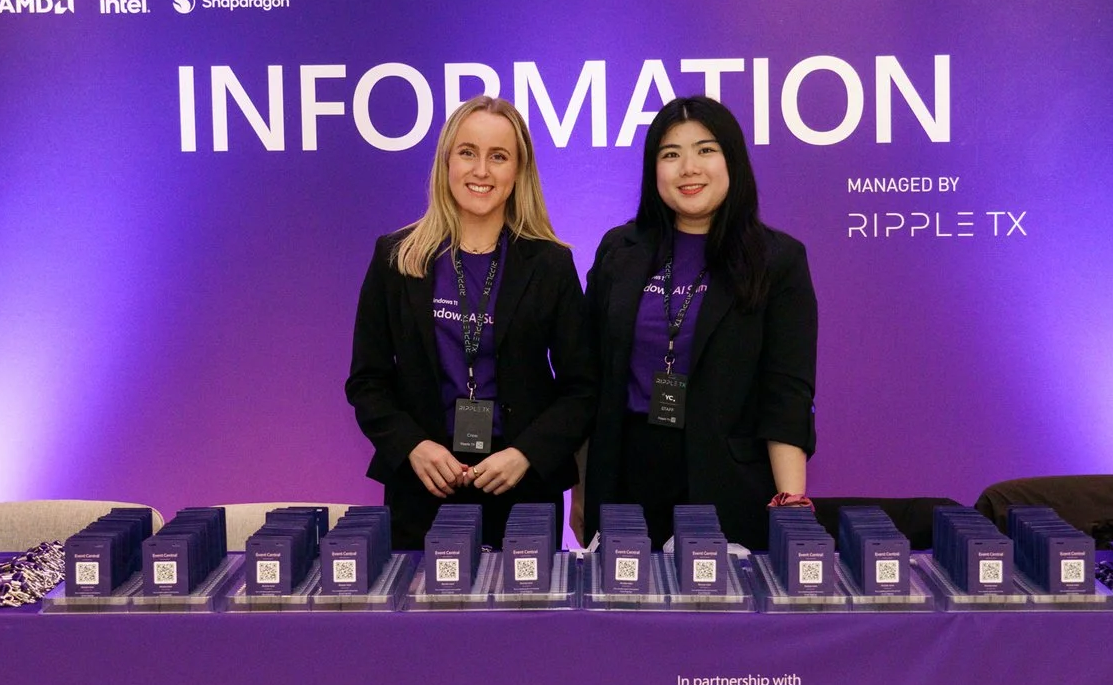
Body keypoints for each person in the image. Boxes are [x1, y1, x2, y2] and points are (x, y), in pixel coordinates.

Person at [347, 96, 594, 548]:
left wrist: (526, 453)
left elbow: (582, 388)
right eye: (467, 152)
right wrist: (413, 446)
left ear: (518, 171)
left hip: (521, 489)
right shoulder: (395, 258)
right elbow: (367, 382)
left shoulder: (550, 265)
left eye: (498, 156)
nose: (481, 170)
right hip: (424, 487)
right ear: (446, 162)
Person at [582, 96, 818, 549]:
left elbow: (787, 393)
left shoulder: (778, 260)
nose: (688, 168)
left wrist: (791, 502)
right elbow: (589, 380)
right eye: (671, 154)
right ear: (654, 170)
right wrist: (581, 490)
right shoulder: (619, 251)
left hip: (730, 486)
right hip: (626, 481)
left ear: (733, 161)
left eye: (706, 150)